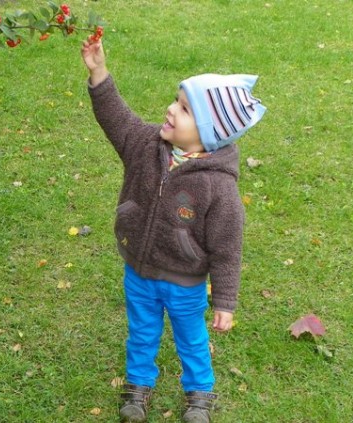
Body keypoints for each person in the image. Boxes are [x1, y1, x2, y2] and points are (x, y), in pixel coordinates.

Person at [80, 38, 266, 423]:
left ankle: (199, 393)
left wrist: (226, 302)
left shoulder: (219, 187)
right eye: (176, 100)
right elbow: (116, 117)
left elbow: (227, 247)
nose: (170, 109)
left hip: (185, 282)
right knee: (142, 333)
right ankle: (138, 384)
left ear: (209, 133)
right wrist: (98, 73)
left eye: (183, 108)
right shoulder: (146, 145)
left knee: (192, 340)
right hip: (140, 270)